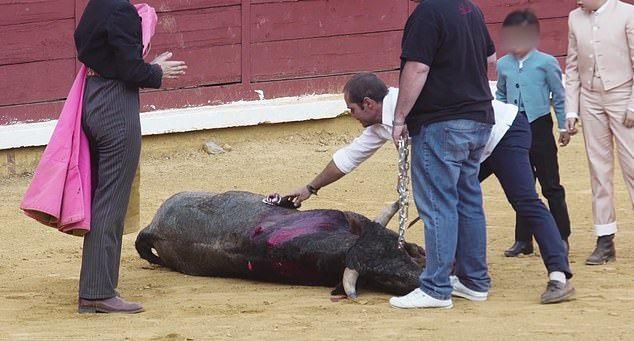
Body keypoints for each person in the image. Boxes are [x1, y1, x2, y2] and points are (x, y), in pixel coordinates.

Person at [283, 73, 575, 304]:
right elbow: (348, 158)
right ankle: (463, 273)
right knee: (453, 200)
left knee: (524, 200)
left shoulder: (412, 101)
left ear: (369, 104)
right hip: (470, 146)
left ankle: (559, 275)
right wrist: (310, 187)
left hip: (502, 131)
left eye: (352, 109)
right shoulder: (381, 123)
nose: (351, 115)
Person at [74, 0, 186, 313]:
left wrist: (147, 66)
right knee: (111, 202)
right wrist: (157, 70)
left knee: (103, 199)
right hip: (115, 108)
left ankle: (95, 288)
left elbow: (99, 52)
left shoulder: (96, 6)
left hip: (92, 97)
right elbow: (129, 69)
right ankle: (97, 293)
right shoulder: (122, 11)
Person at [389, 0, 495, 309]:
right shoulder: (471, 10)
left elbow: (418, 67)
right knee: (468, 201)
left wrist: (399, 118)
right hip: (479, 117)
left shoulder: (427, 13)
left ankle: (436, 287)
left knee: (438, 203)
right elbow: (491, 56)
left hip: (442, 122)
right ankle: (474, 281)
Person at [495, 10, 572, 257]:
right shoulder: (503, 64)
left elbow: (559, 97)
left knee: (551, 184)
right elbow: (501, 95)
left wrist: (562, 126)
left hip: (540, 127)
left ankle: (561, 237)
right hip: (514, 128)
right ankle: (523, 241)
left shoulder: (546, 62)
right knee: (522, 185)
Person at [565, 0, 634, 265]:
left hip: (622, 94)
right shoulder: (574, 17)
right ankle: (605, 240)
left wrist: (632, 104)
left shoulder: (628, 14)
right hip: (590, 98)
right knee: (598, 170)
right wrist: (572, 111)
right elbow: (572, 67)